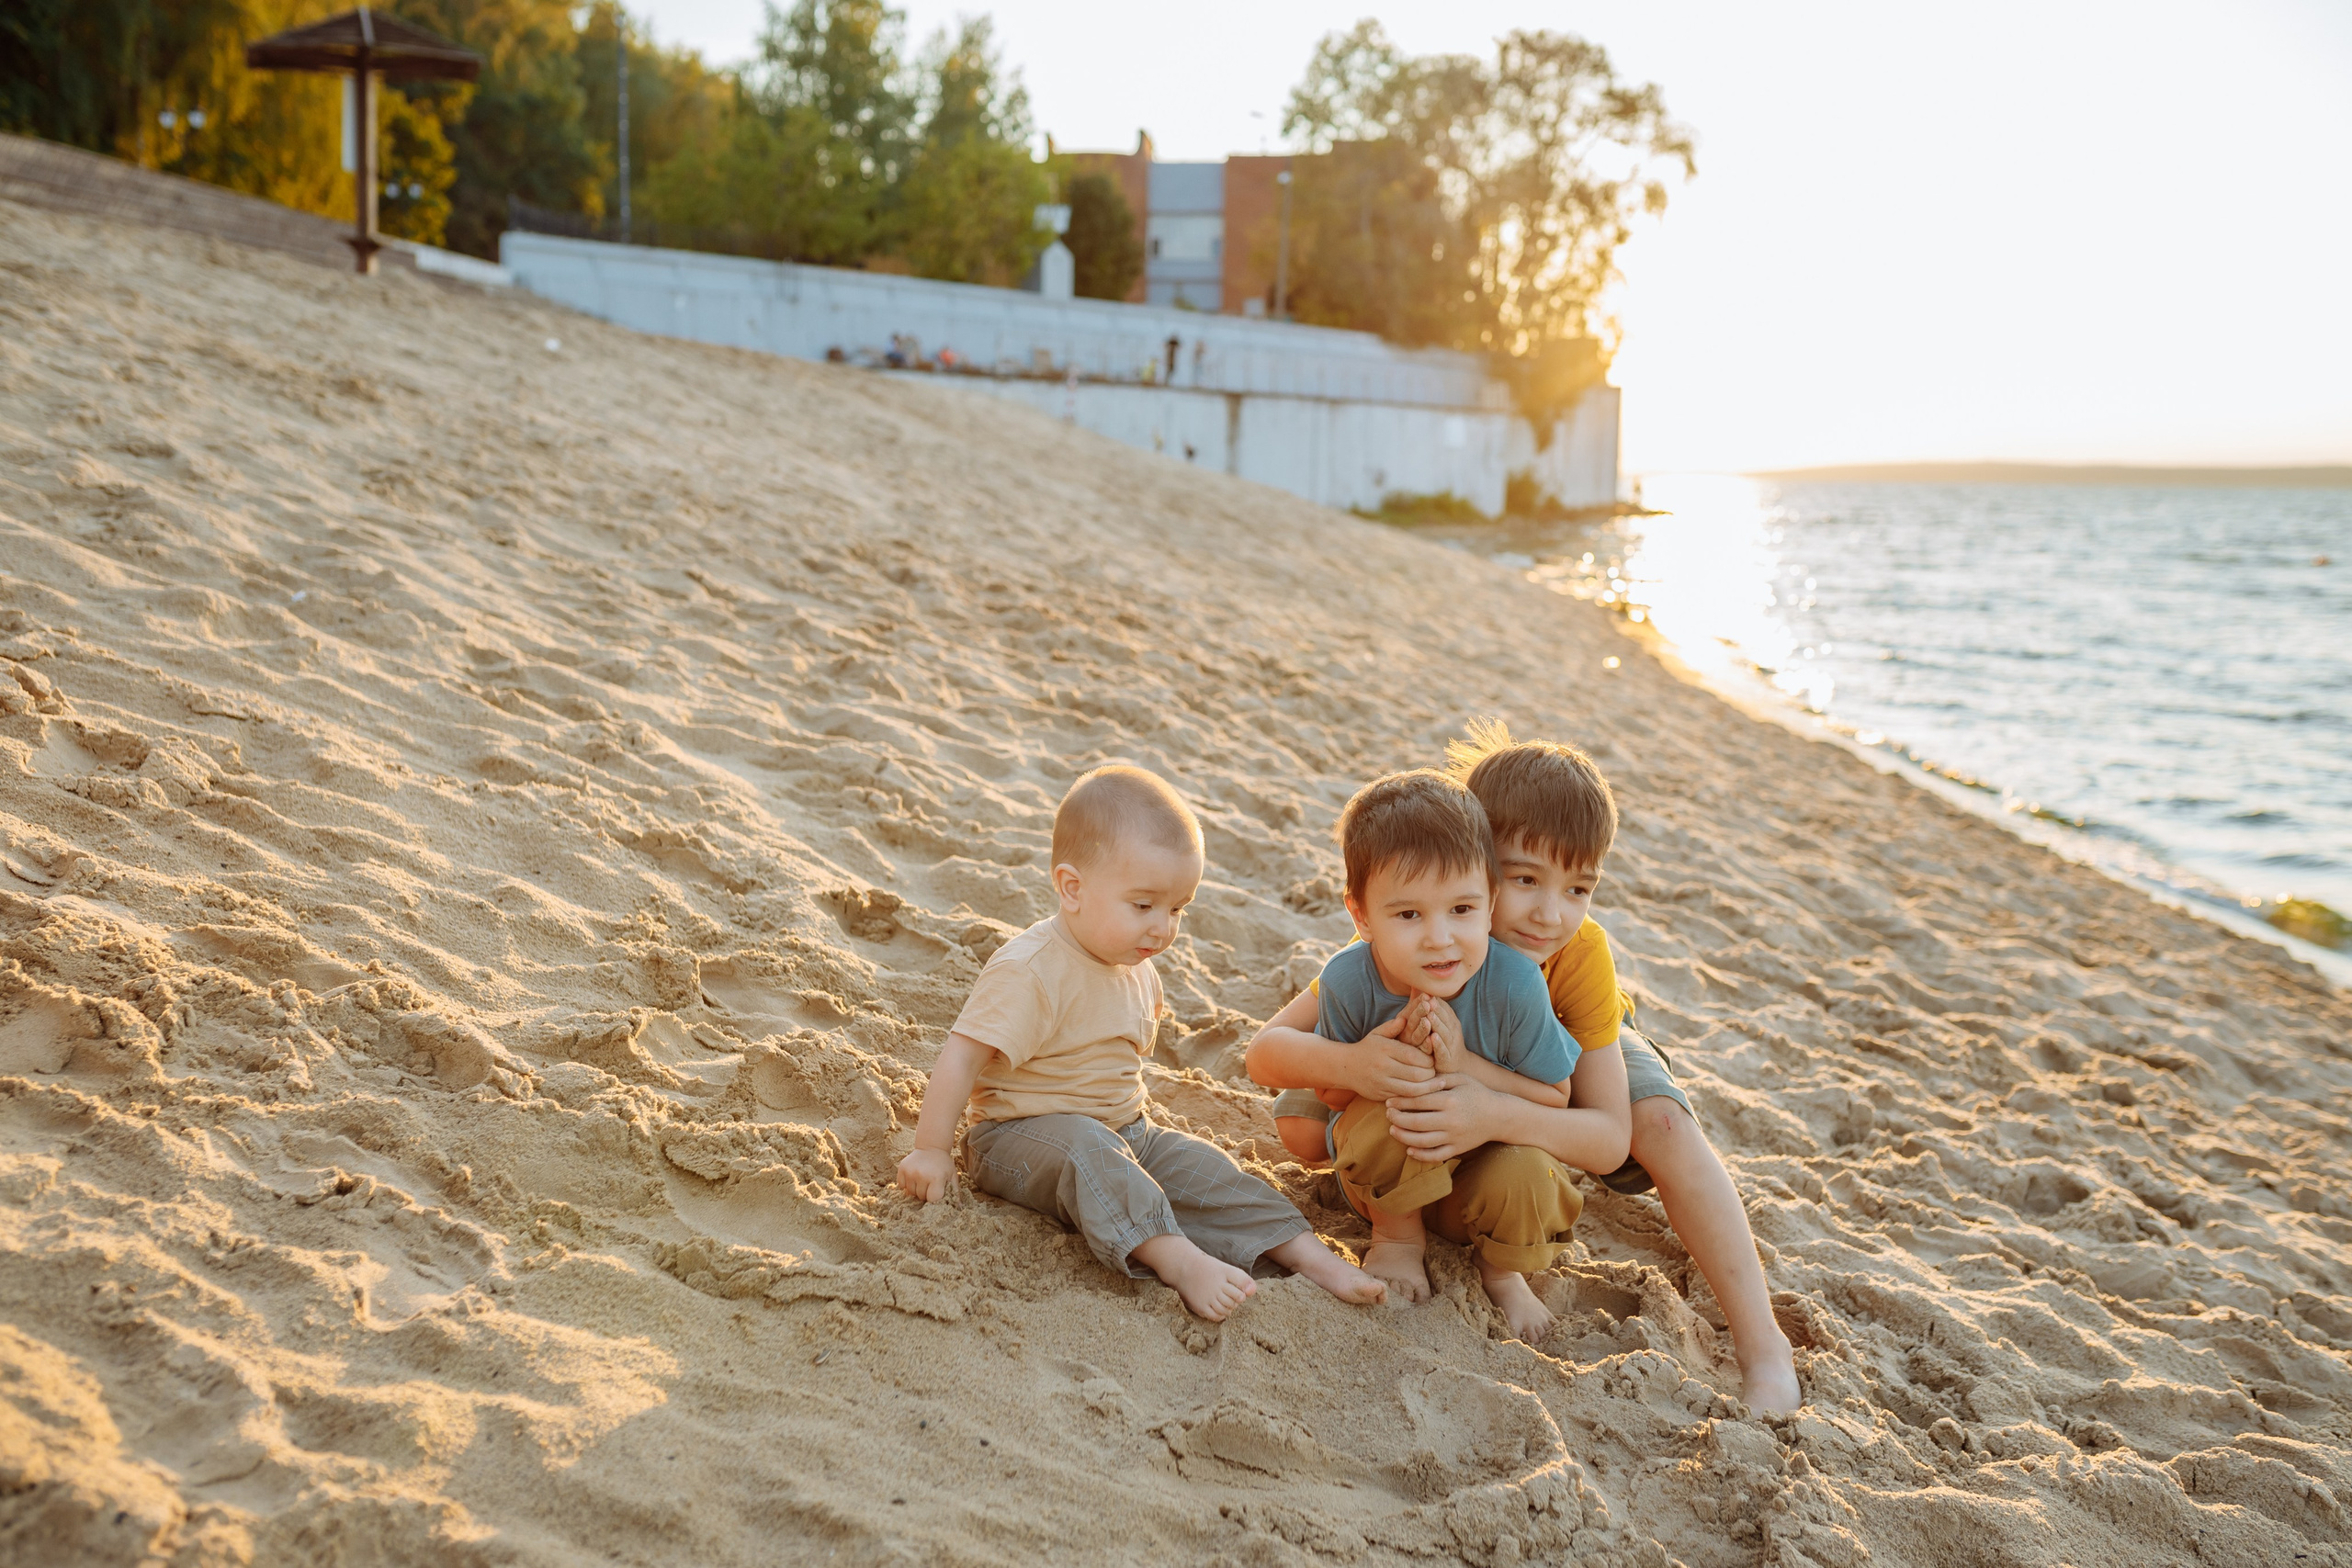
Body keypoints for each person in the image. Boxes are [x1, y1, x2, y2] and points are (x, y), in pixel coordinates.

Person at [1252, 725, 1802, 1410]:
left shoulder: (1576, 954)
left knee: (1659, 1121)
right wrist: (1355, 1066)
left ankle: (1763, 1346)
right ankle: (1413, 1198)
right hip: (1425, 1052)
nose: (1550, 914)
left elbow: (1604, 1136)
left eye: (1579, 888)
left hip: (1560, 1049)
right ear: (1473, 859)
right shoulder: (1435, 924)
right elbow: (1274, 1044)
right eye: (1523, 879)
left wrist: (1491, 1111)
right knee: (1304, 1130)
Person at [896, 764, 1385, 1322]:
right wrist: (931, 1149)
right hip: (1015, 1141)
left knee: (1208, 1168)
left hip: (1125, 1132)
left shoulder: (1138, 968)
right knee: (1089, 1149)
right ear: (1072, 888)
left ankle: (1311, 1258)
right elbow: (961, 1056)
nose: (1163, 928)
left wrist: (1137, 1139)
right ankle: (1178, 1260)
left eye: (1177, 909)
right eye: (1143, 905)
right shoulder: (1030, 969)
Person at [1246, 770, 1631, 1340]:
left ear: (1489, 902)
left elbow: (1557, 1097)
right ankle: (1398, 1239)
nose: (1439, 938)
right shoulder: (1352, 977)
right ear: (1361, 916)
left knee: (1529, 1169)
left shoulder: (1517, 984)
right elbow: (1323, 1092)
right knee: (1384, 1109)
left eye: (1462, 909)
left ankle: (1502, 1274)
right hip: (1388, 1187)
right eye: (1409, 915)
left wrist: (1470, 1075)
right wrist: (1360, 1068)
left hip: (1478, 1184)